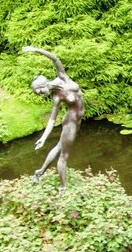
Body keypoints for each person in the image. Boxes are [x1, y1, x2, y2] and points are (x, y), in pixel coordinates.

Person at [22, 46, 85, 189]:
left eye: (39, 90)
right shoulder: (56, 98)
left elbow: (55, 58)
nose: (40, 94)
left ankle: (39, 172)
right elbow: (52, 120)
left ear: (44, 84)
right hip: (71, 122)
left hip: (77, 120)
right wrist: (43, 138)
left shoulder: (62, 78)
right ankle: (63, 188)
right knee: (64, 155)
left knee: (59, 147)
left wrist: (35, 49)